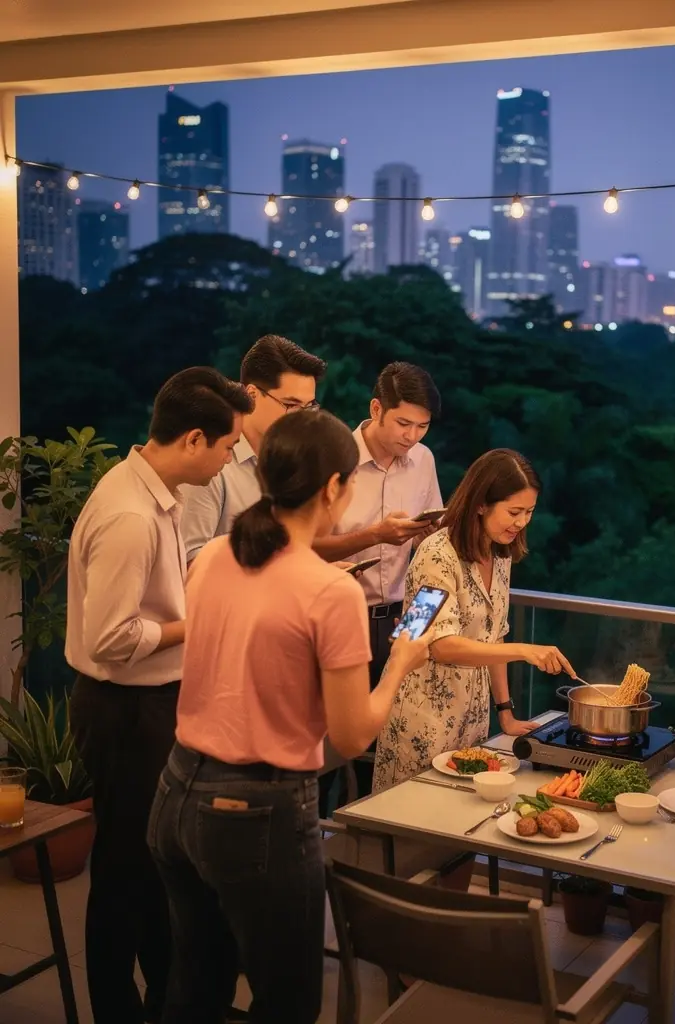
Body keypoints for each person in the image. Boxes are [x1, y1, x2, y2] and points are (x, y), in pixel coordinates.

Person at [148, 409, 429, 1024]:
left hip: (175, 792)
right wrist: (399, 665)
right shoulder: (331, 592)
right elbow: (351, 735)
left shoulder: (215, 555)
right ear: (332, 488)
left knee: (194, 988)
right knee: (288, 1001)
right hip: (256, 811)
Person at [66, 367, 252, 1024]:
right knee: (124, 873)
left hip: (148, 704)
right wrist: (197, 625)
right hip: (123, 709)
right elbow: (111, 638)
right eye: (227, 446)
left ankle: (166, 1002)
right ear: (194, 438)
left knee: (152, 868)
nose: (229, 459)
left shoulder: (154, 493)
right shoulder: (130, 514)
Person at [373, 448, 576, 792]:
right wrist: (525, 650)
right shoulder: (435, 554)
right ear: (481, 504)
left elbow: (494, 636)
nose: (522, 522)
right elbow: (439, 645)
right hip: (421, 717)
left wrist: (505, 712)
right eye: (514, 512)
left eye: (529, 512)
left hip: (472, 718)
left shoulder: (500, 554)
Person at [312, 362, 443, 808]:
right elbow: (303, 548)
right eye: (403, 423)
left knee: (390, 743)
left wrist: (428, 532)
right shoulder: (334, 457)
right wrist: (375, 535)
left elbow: (431, 541)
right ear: (375, 409)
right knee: (330, 743)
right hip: (341, 615)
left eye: (422, 426)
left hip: (406, 615)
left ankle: (371, 835)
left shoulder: (423, 459)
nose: (412, 436)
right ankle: (315, 833)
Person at [180, 334, 326, 563]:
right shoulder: (211, 459)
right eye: (291, 405)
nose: (302, 419)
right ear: (251, 395)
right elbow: (190, 561)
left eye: (309, 407)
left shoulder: (294, 459)